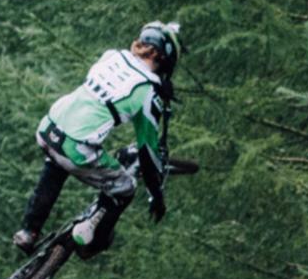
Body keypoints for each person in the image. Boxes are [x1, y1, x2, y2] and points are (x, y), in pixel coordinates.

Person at [12, 21, 182, 255]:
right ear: (165, 59)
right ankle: (91, 243)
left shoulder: (111, 56)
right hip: (77, 148)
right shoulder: (148, 91)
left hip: (48, 127)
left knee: (55, 163)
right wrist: (156, 195)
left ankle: (29, 231)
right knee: (125, 188)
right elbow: (148, 150)